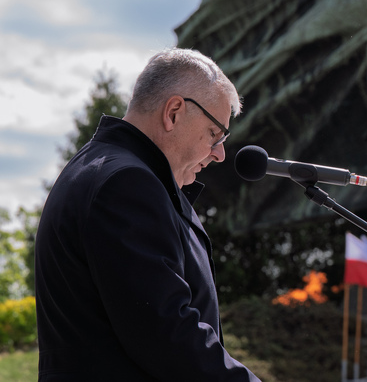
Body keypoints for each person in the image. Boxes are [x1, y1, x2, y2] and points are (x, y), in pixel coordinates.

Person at [35, 48, 260, 381]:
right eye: (215, 134)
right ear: (174, 112)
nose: (220, 154)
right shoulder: (126, 184)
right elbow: (167, 335)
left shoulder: (100, 168)